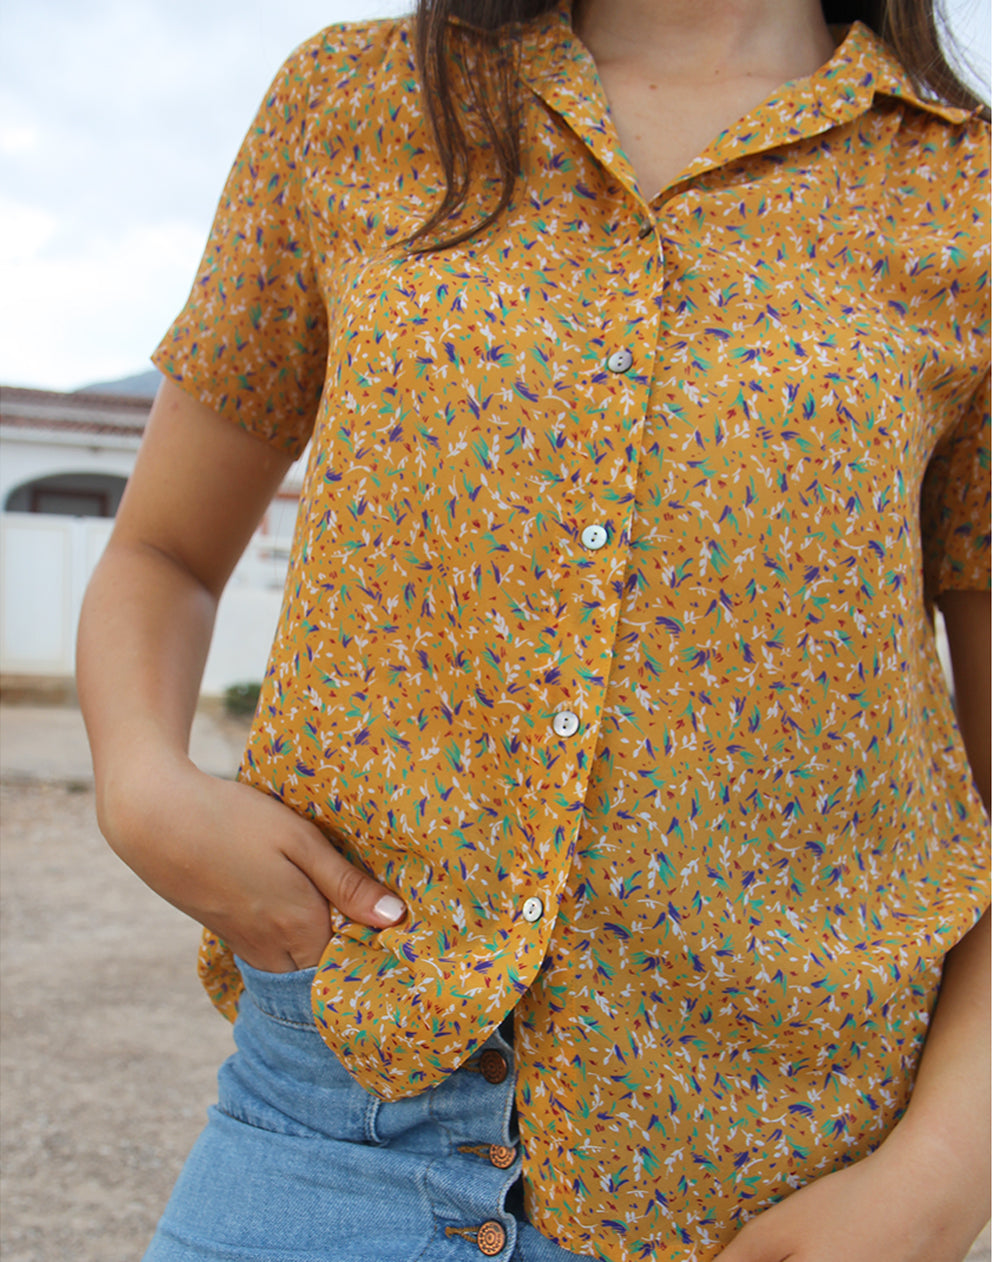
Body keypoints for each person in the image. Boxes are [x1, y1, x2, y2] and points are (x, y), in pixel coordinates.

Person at [76, 0, 991, 1258]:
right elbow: (161, 554)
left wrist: (941, 1174)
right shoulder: (356, 100)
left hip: (787, 1190)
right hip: (334, 1131)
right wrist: (139, 783)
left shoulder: (960, 186)